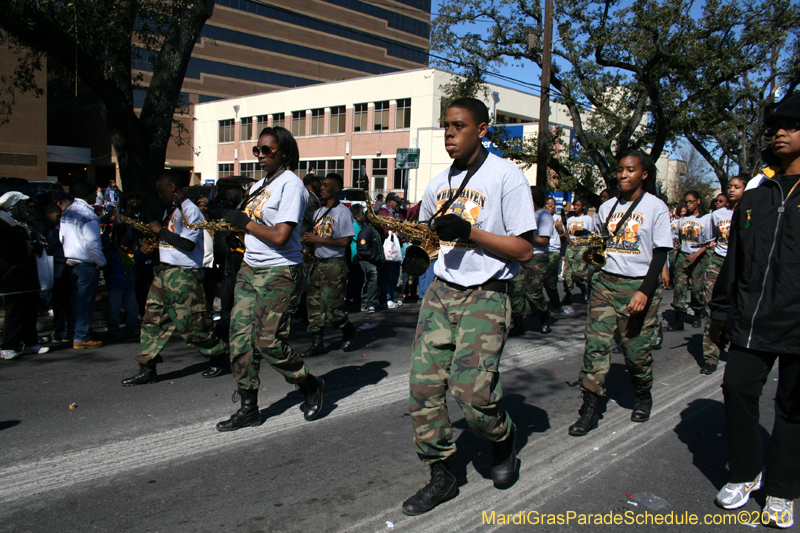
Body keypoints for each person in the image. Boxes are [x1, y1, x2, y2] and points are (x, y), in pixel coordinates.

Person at [402, 98, 536, 516]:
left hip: (487, 293)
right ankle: (441, 473)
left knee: (473, 394)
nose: (449, 134)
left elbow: (525, 248)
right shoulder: (437, 182)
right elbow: (426, 234)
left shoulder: (505, 176)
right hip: (442, 292)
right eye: (445, 126)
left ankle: (503, 440)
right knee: (423, 387)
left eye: (458, 126)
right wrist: (418, 253)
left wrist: (471, 231)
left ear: (481, 129)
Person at [708, 94, 800, 528]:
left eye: (792, 124)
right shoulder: (754, 198)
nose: (780, 131)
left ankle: (782, 489)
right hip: (750, 321)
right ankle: (746, 473)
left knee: (792, 409)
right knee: (738, 390)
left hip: (797, 325)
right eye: (776, 125)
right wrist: (722, 310)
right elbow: (735, 262)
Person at [215, 126, 324, 431]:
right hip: (250, 269)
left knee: (267, 341)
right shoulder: (261, 185)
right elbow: (251, 225)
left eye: (267, 150)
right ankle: (249, 407)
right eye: (257, 150)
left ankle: (309, 384)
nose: (260, 155)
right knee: (239, 338)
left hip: (280, 270)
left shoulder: (291, 186)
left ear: (284, 152)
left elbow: (280, 236)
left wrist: (244, 222)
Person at [569, 150, 671, 437]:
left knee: (635, 352)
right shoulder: (607, 207)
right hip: (605, 284)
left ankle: (643, 392)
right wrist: (589, 262)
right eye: (620, 170)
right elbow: (598, 246)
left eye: (630, 170)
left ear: (644, 174)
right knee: (595, 347)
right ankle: (589, 407)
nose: (623, 175)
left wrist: (645, 291)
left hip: (638, 286)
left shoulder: (656, 207)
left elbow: (661, 253)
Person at [120, 171, 228, 385]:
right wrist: (154, 246)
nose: (159, 195)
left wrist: (160, 230)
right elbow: (173, 242)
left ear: (172, 187)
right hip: (163, 273)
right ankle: (147, 367)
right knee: (151, 321)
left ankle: (217, 355)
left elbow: (187, 244)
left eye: (161, 191)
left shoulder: (190, 211)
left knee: (193, 327)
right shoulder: (173, 210)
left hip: (183, 277)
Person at [300, 173, 357, 357]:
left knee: (332, 308)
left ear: (336, 189)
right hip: (316, 263)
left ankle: (347, 328)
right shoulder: (318, 212)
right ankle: (317, 342)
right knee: (313, 305)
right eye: (321, 185)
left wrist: (317, 239)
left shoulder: (343, 212)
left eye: (325, 185)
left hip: (333, 264)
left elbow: (345, 241)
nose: (321, 188)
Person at [697, 178, 745, 374]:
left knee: (740, 311)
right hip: (717, 264)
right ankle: (711, 356)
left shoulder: (752, 212)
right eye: (730, 187)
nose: (732, 190)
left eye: (737, 187)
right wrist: (711, 243)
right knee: (713, 310)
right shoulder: (717, 215)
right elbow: (706, 237)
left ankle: (739, 352)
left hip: (741, 266)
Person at [0, 192, 50, 359]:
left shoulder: (22, 223)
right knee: (14, 312)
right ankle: (8, 345)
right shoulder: (3, 224)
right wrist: (28, 246)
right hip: (12, 276)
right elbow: (6, 249)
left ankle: (30, 343)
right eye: (22, 205)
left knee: (30, 309)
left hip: (28, 273)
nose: (25, 208)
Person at [61, 178, 106, 350]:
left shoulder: (68, 212)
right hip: (85, 264)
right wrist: (101, 262)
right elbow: (93, 243)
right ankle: (81, 337)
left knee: (75, 301)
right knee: (85, 302)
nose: (97, 195)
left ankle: (75, 333)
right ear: (88, 194)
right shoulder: (88, 214)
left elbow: (62, 237)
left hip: (70, 262)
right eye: (95, 192)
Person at [510, 186, 554, 336]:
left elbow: (543, 241)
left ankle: (543, 315)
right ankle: (517, 324)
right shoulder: (523, 214)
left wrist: (524, 236)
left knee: (532, 292)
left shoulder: (544, 216)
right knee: (516, 291)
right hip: (519, 256)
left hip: (536, 257)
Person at [668, 191, 711, 330]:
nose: (688, 205)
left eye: (691, 201)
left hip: (698, 257)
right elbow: (677, 236)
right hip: (683, 256)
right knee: (679, 287)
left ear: (698, 201)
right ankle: (678, 319)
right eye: (686, 202)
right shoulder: (681, 220)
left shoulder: (706, 219)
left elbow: (708, 242)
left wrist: (696, 254)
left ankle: (698, 312)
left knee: (697, 288)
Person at [103, 223, 139, 341]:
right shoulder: (111, 250)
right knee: (114, 310)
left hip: (129, 284)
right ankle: (113, 332)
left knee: (133, 309)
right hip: (115, 284)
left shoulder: (133, 252)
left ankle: (131, 329)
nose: (125, 246)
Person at [45, 203, 72, 344]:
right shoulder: (53, 233)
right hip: (58, 270)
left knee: (66, 304)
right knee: (60, 304)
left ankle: (65, 331)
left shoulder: (61, 231)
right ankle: (60, 331)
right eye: (58, 216)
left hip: (63, 270)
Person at [561, 197, 594, 305]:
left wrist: (583, 230)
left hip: (582, 246)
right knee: (567, 274)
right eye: (574, 205)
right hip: (571, 246)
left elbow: (592, 234)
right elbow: (565, 236)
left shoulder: (588, 219)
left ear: (583, 207)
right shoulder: (570, 219)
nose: (575, 207)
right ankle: (568, 294)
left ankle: (583, 288)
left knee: (578, 273)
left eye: (578, 205)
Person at [377, 192, 405, 308]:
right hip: (388, 248)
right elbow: (382, 227)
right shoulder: (383, 212)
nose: (398, 204)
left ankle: (391, 297)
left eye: (399, 202)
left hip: (397, 247)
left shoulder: (398, 213)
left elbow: (411, 213)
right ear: (389, 202)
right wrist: (391, 232)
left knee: (395, 274)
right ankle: (385, 298)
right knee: (387, 274)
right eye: (396, 201)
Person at [355, 205, 383, 313]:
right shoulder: (366, 231)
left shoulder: (375, 230)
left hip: (374, 259)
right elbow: (363, 249)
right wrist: (376, 258)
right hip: (368, 260)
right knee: (372, 277)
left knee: (372, 280)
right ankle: (370, 303)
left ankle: (367, 302)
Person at [543, 197, 563, 313]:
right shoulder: (541, 216)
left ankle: (556, 303)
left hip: (553, 251)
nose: (551, 206)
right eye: (548, 204)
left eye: (553, 204)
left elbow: (563, 234)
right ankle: (537, 306)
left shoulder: (557, 218)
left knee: (550, 281)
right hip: (542, 250)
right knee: (537, 280)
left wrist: (560, 228)